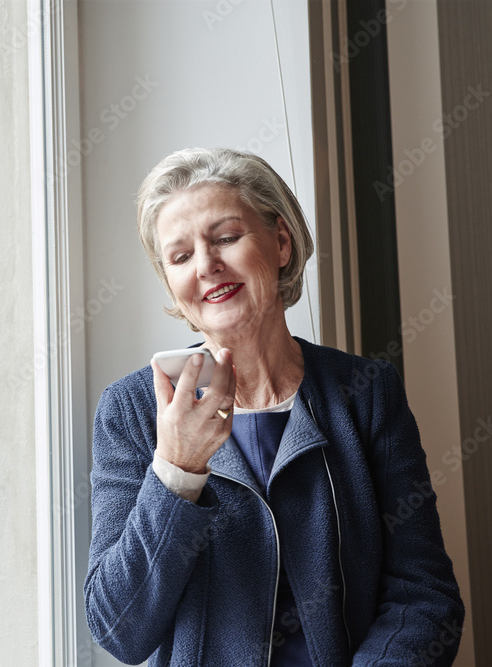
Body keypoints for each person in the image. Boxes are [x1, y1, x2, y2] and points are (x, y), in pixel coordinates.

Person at [84, 147, 463, 666]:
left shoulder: (366, 392)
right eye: (181, 256)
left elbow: (423, 595)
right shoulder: (131, 411)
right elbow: (119, 629)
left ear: (281, 242)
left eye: (226, 238)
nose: (207, 265)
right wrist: (176, 470)